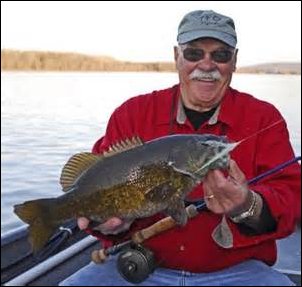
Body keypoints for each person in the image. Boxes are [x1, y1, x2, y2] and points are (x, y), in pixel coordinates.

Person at [60, 10, 300, 286]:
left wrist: (247, 205)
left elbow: (291, 199)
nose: (206, 65)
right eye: (194, 53)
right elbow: (98, 188)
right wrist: (108, 226)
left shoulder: (264, 117)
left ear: (234, 61)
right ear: (177, 56)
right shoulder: (131, 114)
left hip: (238, 271)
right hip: (139, 269)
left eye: (220, 55)